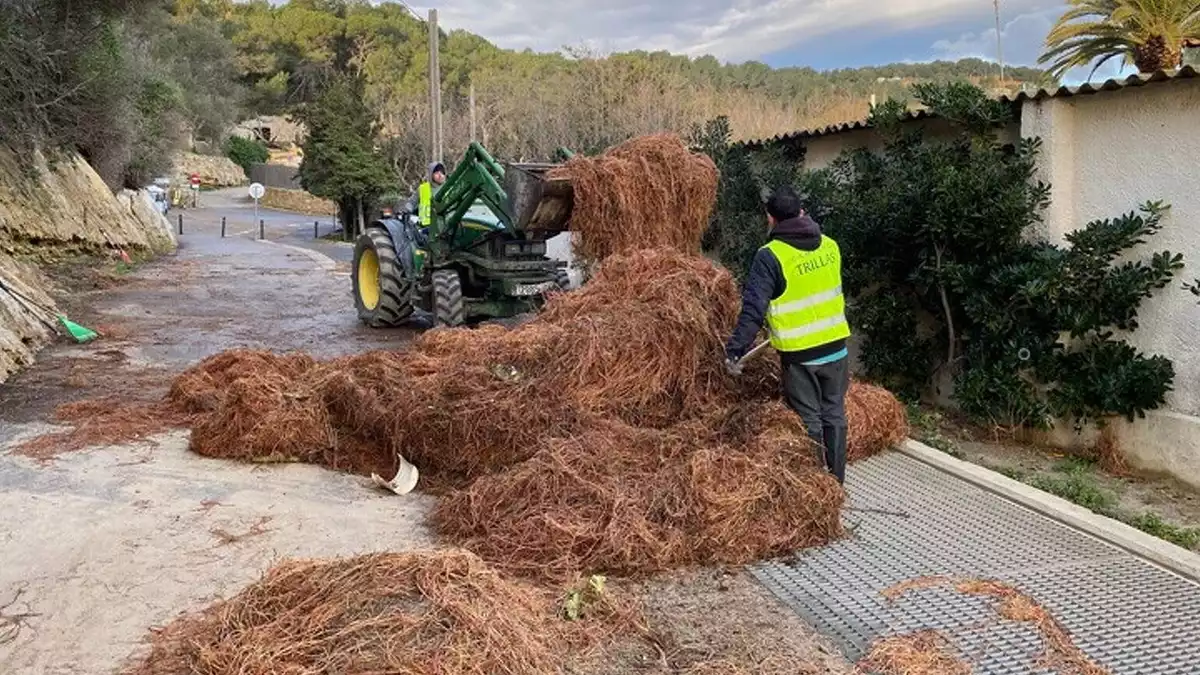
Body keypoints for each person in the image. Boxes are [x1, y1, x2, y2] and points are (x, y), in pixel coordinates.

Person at [724, 186, 852, 484]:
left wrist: (735, 350)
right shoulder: (830, 246)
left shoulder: (770, 256)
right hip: (837, 349)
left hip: (801, 357)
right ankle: (836, 482)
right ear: (802, 212)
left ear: (771, 219)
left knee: (808, 420)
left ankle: (815, 486)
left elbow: (754, 309)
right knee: (834, 414)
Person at [403, 161, 447, 227]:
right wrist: (407, 209)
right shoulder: (423, 188)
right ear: (431, 175)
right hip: (424, 228)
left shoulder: (450, 188)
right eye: (437, 173)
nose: (440, 175)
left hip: (444, 227)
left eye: (442, 173)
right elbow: (411, 202)